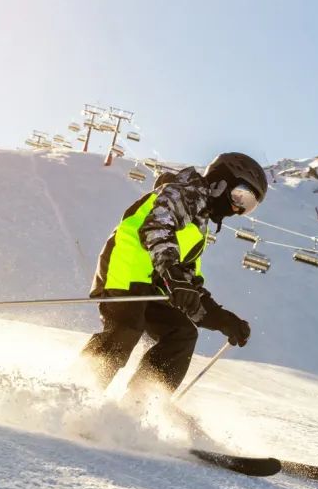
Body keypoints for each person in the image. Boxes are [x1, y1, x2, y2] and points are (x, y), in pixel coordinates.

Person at [79, 151, 267, 399]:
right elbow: (157, 228)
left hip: (155, 283)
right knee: (126, 327)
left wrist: (222, 319)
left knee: (182, 334)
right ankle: (79, 390)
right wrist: (173, 275)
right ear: (221, 182)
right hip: (124, 269)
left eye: (248, 206)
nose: (238, 208)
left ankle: (141, 401)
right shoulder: (182, 193)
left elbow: (188, 282)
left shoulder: (199, 224)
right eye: (240, 196)